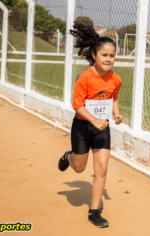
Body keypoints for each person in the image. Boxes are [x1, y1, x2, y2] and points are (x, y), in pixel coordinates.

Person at [58, 21, 123, 228]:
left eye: (112, 56)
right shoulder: (84, 78)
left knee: (102, 168)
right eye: (104, 55)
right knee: (79, 167)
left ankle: (94, 211)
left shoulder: (116, 79)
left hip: (102, 128)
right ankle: (68, 157)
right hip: (82, 126)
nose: (108, 59)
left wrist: (117, 114)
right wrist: (93, 119)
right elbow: (77, 105)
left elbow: (112, 98)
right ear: (94, 55)